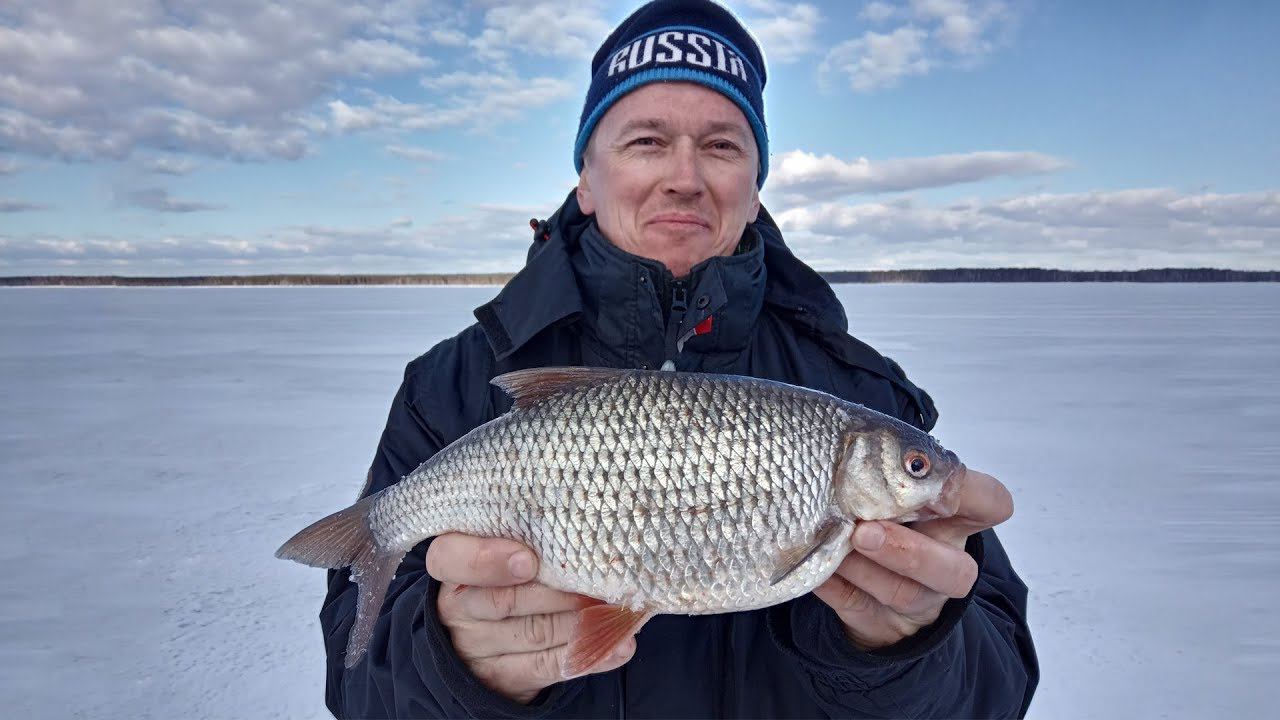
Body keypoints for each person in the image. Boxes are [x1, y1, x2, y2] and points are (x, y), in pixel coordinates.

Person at [318, 1, 1039, 717]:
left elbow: (999, 686)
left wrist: (911, 650)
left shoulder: (864, 393)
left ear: (755, 187)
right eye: (646, 142)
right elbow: (361, 688)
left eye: (723, 145)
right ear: (586, 181)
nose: (685, 177)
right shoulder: (447, 389)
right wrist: (455, 671)